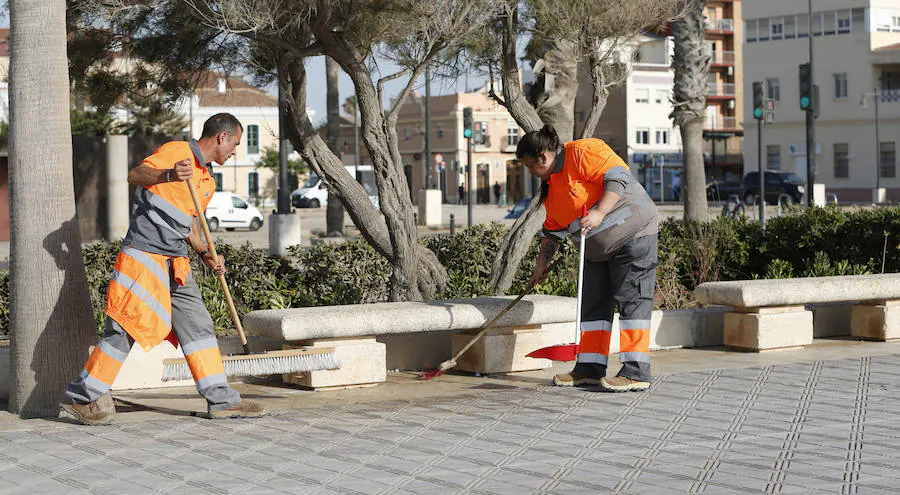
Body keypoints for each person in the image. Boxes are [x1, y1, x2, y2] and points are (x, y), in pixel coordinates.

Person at [59, 113, 266, 424]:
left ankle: (221, 399)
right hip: (144, 258)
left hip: (177, 264)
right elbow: (137, 174)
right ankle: (81, 397)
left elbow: (190, 224)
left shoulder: (206, 181)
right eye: (235, 143)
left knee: (198, 327)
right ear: (221, 138)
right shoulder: (176, 152)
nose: (235, 150)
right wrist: (169, 174)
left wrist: (206, 253)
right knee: (125, 328)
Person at [518, 125, 659, 392]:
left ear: (542, 158)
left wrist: (599, 213)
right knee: (592, 305)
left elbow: (618, 178)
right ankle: (590, 368)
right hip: (594, 249)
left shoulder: (583, 151)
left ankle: (636, 371)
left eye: (529, 166)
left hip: (635, 233)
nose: (530, 172)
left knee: (633, 301)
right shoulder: (552, 187)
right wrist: (540, 267)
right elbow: (552, 234)